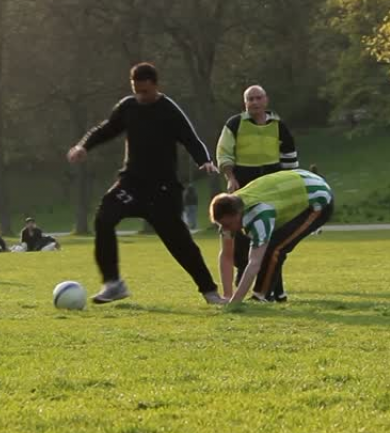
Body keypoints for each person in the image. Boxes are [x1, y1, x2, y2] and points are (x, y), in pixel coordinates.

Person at [67, 62, 223, 305]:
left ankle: (210, 292)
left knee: (180, 243)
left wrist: (204, 161)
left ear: (156, 86)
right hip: (131, 184)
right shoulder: (128, 107)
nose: (140, 96)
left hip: (163, 189)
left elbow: (190, 138)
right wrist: (83, 146)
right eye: (136, 90)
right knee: (104, 218)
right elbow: (106, 129)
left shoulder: (169, 110)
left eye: (145, 91)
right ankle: (113, 283)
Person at [215, 85, 300, 288]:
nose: (254, 102)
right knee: (242, 230)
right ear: (245, 103)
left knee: (272, 231)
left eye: (258, 98)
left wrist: (291, 182)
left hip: (272, 182)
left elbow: (289, 156)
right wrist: (230, 176)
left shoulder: (279, 125)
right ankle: (242, 269)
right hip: (244, 181)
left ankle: (272, 280)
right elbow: (224, 151)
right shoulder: (234, 124)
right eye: (250, 99)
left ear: (266, 100)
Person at [209, 169, 333, 303]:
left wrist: (236, 301)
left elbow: (254, 263)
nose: (225, 229)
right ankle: (278, 294)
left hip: (318, 198)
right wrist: (227, 296)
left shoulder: (260, 215)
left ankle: (261, 296)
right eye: (221, 225)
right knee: (266, 246)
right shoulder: (231, 206)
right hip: (296, 184)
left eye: (228, 224)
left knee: (275, 249)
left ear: (238, 215)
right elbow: (227, 255)